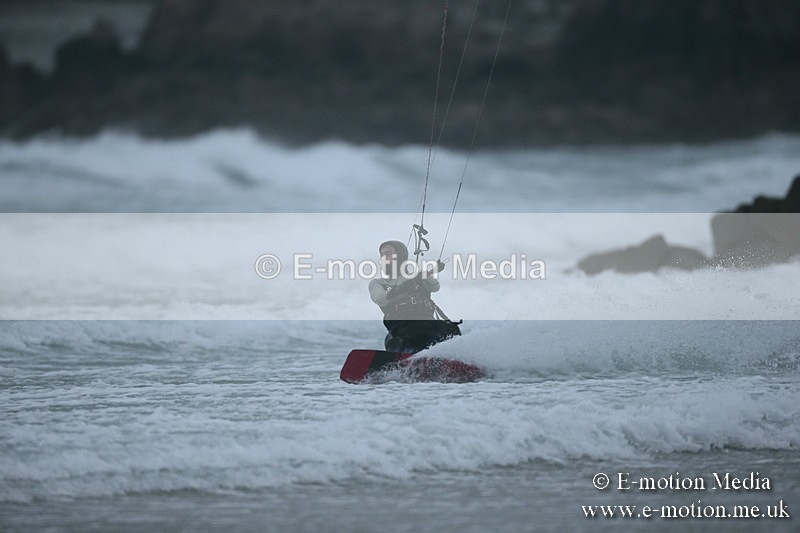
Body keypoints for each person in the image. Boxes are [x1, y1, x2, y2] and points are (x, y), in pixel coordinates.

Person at [368, 240, 462, 353]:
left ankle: (456, 360)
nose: (383, 257)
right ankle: (409, 355)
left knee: (452, 330)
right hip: (401, 327)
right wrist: (399, 289)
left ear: (400, 256)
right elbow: (380, 298)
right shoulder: (378, 282)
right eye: (382, 254)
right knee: (416, 331)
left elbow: (434, 287)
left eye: (387, 253)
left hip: (427, 323)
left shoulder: (418, 276)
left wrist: (429, 273)